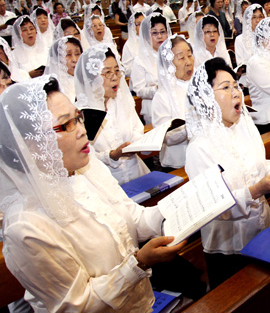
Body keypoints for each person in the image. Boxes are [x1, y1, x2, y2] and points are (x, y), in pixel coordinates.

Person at [0, 75, 184, 312]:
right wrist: (139, 263)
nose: (82, 130)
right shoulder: (26, 227)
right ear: (31, 145)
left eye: (79, 117)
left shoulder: (87, 167)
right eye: (66, 124)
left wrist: (182, 206)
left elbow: (133, 218)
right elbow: (78, 305)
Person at [185, 58, 270, 288]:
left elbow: (260, 168)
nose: (236, 93)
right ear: (206, 97)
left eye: (236, 85)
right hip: (229, 250)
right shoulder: (199, 147)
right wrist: (256, 190)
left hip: (263, 231)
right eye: (225, 87)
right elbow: (215, 207)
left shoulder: (245, 127)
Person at [75, 44, 150, 184]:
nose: (115, 77)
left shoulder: (121, 102)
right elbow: (82, 157)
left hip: (136, 173)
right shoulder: (81, 114)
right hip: (105, 183)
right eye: (108, 72)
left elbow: (136, 130)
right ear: (92, 78)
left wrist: (136, 143)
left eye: (117, 71)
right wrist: (112, 155)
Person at [151, 35, 194, 170]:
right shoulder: (162, 96)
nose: (188, 62)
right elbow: (166, 137)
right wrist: (195, 122)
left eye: (190, 55)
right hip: (178, 164)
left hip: (203, 157)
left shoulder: (198, 85)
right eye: (181, 58)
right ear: (169, 63)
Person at [131, 13, 172, 124]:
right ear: (146, 35)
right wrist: (157, 89)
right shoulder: (140, 60)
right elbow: (139, 90)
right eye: (154, 33)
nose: (159, 36)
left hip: (174, 103)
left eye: (163, 32)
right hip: (152, 107)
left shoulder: (173, 55)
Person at [44, 36, 82, 102]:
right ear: (57, 59)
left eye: (77, 54)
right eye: (68, 54)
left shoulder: (90, 80)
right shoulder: (53, 87)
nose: (74, 59)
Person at [121, 12, 144, 79]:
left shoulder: (153, 40)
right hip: (138, 79)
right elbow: (126, 69)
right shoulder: (129, 45)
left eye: (144, 23)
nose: (142, 26)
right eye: (139, 24)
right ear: (133, 27)